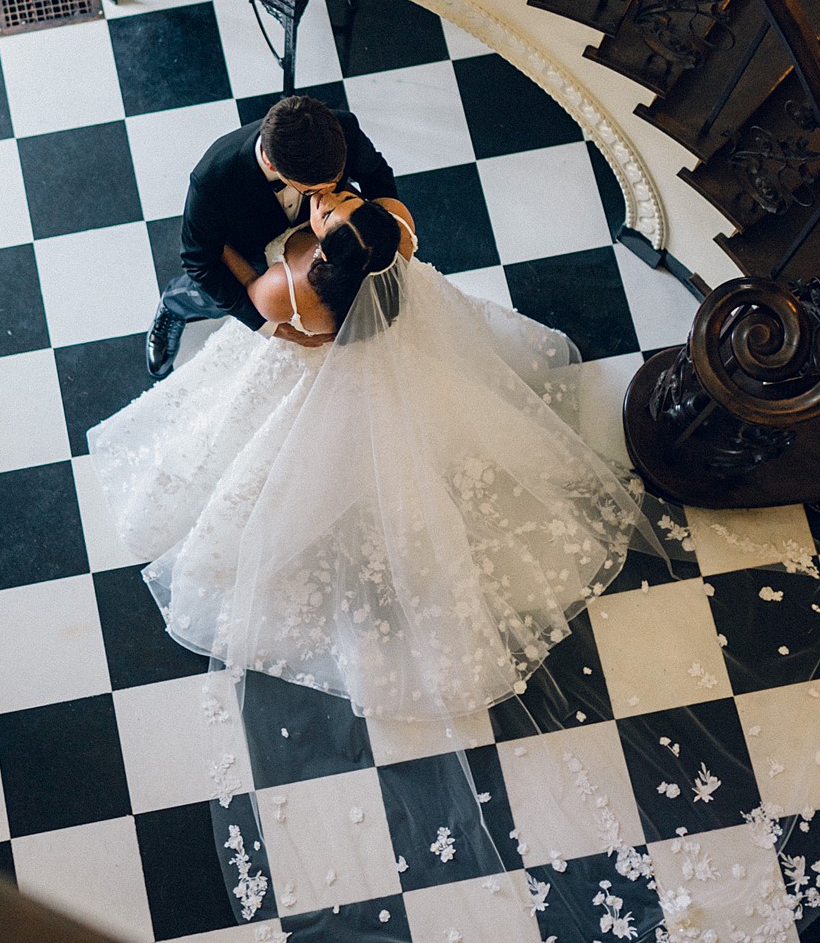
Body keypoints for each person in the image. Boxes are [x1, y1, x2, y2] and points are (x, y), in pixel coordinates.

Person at [94, 151, 648, 724]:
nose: (329, 198)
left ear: (329, 257)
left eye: (334, 209)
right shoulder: (394, 243)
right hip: (391, 359)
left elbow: (244, 288)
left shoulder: (293, 290)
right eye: (342, 198)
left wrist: (231, 246)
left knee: (261, 453)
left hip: (305, 365)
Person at [144, 94, 399, 380]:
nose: (328, 197)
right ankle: (173, 305)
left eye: (336, 183)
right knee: (209, 298)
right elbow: (198, 262)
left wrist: (378, 229)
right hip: (243, 254)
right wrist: (265, 324)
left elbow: (377, 174)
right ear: (272, 163)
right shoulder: (213, 178)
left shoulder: (341, 128)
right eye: (316, 189)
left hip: (323, 249)